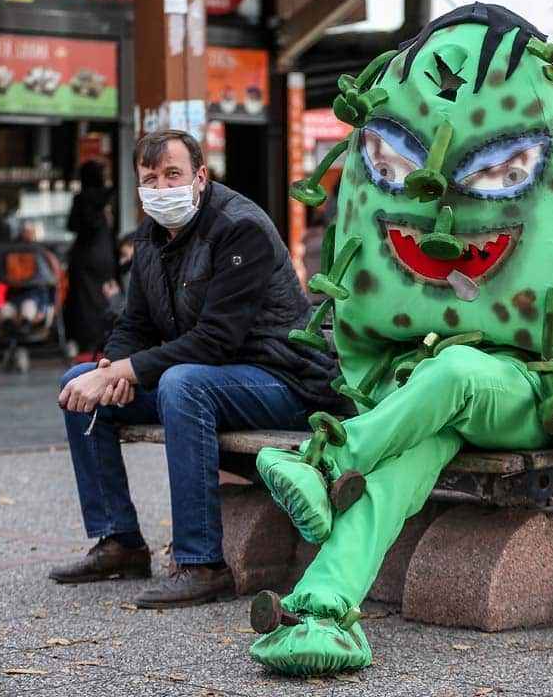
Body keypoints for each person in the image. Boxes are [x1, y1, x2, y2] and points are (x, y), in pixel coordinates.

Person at [52, 129, 345, 608]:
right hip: (213, 378)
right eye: (151, 179)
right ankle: (119, 541)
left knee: (182, 384)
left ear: (201, 177)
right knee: (77, 384)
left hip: (283, 381)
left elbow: (215, 341)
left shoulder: (240, 229)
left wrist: (126, 372)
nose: (162, 188)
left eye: (174, 175)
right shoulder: (151, 237)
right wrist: (108, 367)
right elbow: (135, 323)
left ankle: (202, 563)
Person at [63, 161, 118, 353]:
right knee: (105, 296)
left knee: (85, 301)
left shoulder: (81, 198)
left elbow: (71, 225)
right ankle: (105, 336)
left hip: (85, 256)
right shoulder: (107, 197)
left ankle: (87, 340)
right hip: (105, 254)